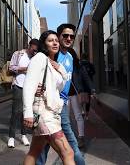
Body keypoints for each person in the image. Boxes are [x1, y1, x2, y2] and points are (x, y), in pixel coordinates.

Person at [23, 30, 75, 165]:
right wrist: (27, 112)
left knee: (34, 152)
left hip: (52, 112)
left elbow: (61, 87)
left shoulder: (52, 63)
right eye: (51, 40)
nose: (55, 43)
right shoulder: (39, 58)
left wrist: (61, 69)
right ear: (44, 44)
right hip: (44, 113)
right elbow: (28, 85)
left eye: (56, 41)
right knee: (68, 153)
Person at [36, 24, 86, 165]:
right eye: (65, 35)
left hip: (62, 103)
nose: (69, 38)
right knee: (70, 142)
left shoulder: (70, 56)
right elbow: (36, 71)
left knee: (43, 143)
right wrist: (38, 87)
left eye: (71, 36)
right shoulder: (51, 55)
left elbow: (72, 77)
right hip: (51, 105)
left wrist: (83, 91)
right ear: (58, 36)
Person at [7, 39, 39, 148]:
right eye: (32, 50)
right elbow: (11, 67)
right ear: (29, 46)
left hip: (30, 89)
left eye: (35, 51)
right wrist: (24, 69)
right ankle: (11, 137)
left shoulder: (35, 58)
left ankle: (23, 135)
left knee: (27, 113)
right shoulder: (18, 54)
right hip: (18, 86)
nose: (33, 52)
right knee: (16, 112)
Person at [67, 48, 96, 148]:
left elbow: (86, 78)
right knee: (65, 118)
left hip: (75, 94)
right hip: (64, 95)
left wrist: (92, 90)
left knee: (78, 116)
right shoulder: (61, 64)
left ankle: (81, 137)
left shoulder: (79, 66)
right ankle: (68, 138)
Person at [79, 52, 96, 119]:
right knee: (88, 99)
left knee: (81, 98)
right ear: (87, 57)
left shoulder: (79, 64)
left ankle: (82, 110)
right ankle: (87, 115)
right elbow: (94, 72)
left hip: (81, 84)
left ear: (82, 57)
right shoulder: (90, 64)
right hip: (88, 84)